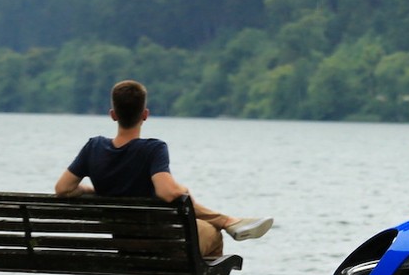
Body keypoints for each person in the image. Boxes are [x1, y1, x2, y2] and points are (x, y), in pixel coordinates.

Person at [55, 80, 272, 257]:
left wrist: (92, 191)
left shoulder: (94, 147)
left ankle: (230, 221)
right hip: (163, 242)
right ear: (145, 114)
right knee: (213, 233)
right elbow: (166, 192)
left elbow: (63, 188)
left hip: (122, 242)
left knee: (192, 210)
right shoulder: (153, 149)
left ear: (113, 114)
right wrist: (182, 190)